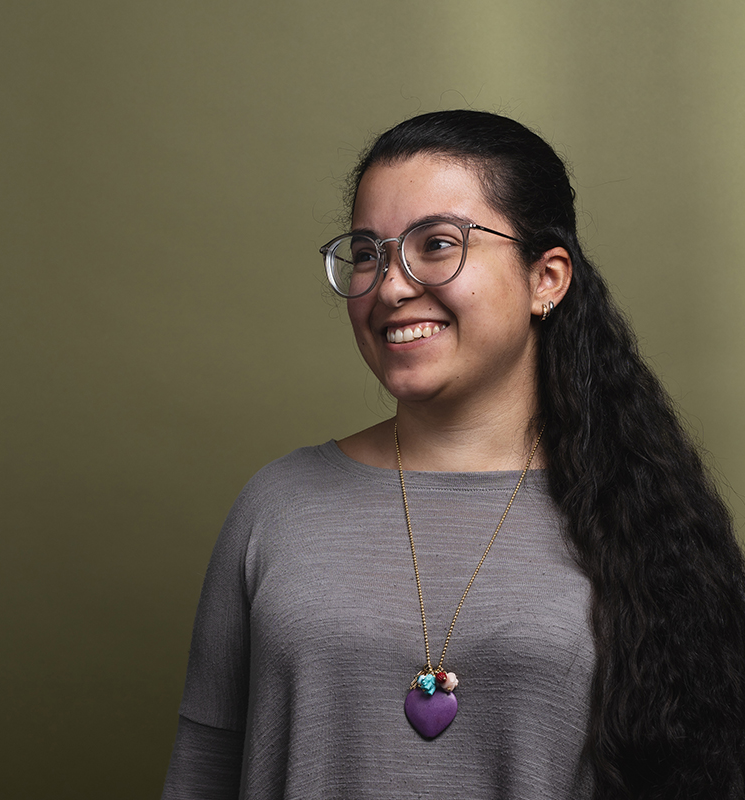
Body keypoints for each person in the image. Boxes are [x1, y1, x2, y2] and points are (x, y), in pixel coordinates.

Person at [162, 110, 745, 799]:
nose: (390, 286)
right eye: (368, 253)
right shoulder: (277, 506)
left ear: (547, 279)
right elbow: (202, 773)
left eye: (436, 244)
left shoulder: (645, 519)